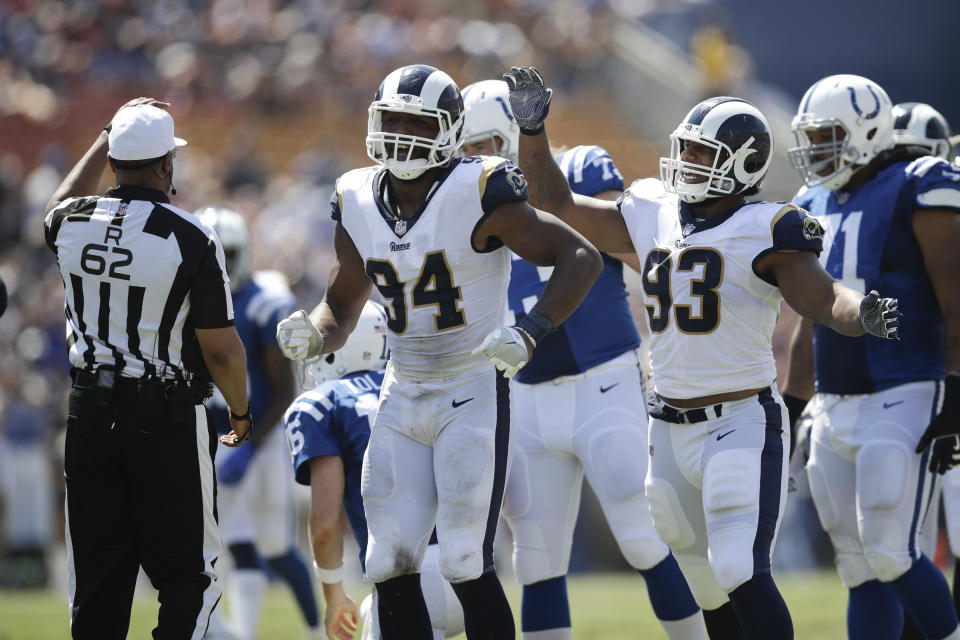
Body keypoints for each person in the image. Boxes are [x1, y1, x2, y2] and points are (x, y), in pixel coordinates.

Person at [501, 65, 900, 640]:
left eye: (702, 154)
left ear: (742, 165)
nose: (685, 162)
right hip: (666, 424)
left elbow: (821, 294)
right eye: (684, 150)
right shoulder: (652, 211)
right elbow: (555, 207)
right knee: (701, 581)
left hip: (738, 418)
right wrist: (533, 132)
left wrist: (857, 311)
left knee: (738, 565)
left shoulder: (768, 227)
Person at [276, 63, 603, 640]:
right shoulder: (354, 196)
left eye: (416, 123)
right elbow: (343, 304)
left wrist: (530, 330)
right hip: (401, 388)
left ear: (449, 131)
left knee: (460, 557)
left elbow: (581, 256)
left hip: (471, 385)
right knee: (385, 559)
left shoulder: (479, 188)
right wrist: (315, 332)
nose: (401, 134)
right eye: (392, 120)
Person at [460, 78, 705, 640]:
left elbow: (625, 243)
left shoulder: (579, 168)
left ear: (508, 137)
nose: (473, 162)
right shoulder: (457, 208)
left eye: (482, 146)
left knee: (645, 536)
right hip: (525, 395)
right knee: (537, 558)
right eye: (464, 150)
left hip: (604, 383)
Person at [43, 99, 251, 639]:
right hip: (163, 419)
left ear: (112, 160)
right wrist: (241, 410)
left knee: (98, 582)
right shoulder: (192, 236)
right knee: (190, 579)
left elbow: (58, 204)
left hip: (87, 415)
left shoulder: (71, 223)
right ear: (165, 165)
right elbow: (222, 349)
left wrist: (104, 134)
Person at [782, 75, 960, 640]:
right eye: (809, 137)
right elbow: (810, 317)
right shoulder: (808, 201)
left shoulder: (919, 182)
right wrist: (791, 407)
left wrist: (956, 388)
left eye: (827, 135)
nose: (815, 149)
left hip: (906, 388)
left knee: (892, 553)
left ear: (868, 131)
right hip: (834, 401)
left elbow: (957, 293)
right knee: (858, 568)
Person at [283, 300, 465, 640]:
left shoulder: (323, 403)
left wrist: (333, 594)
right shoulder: (419, 385)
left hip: (406, 579)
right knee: (370, 612)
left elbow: (324, 523)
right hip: (471, 572)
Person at [196, 206, 320, 640]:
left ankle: (315, 628)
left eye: (227, 254)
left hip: (263, 437)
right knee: (236, 541)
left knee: (274, 544)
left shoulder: (265, 301)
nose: (221, 265)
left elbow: (285, 389)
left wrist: (248, 443)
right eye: (212, 253)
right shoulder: (188, 302)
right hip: (216, 439)